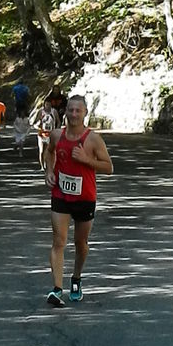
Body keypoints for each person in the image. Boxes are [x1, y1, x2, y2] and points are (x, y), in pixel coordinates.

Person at [44, 95, 113, 307]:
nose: (74, 114)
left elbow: (108, 167)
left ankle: (76, 278)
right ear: (66, 112)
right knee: (59, 241)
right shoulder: (57, 135)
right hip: (61, 195)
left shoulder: (92, 139)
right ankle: (57, 289)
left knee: (80, 243)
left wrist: (86, 160)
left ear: (84, 113)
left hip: (85, 197)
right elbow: (49, 152)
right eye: (71, 110)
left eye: (78, 111)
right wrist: (48, 171)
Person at [34, 99, 61, 170]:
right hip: (42, 134)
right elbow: (35, 122)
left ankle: (49, 165)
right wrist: (38, 127)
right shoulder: (40, 112)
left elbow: (58, 122)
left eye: (49, 104)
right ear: (44, 105)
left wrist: (56, 130)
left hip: (50, 134)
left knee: (50, 150)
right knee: (42, 150)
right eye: (46, 104)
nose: (48, 106)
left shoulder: (54, 112)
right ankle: (42, 166)